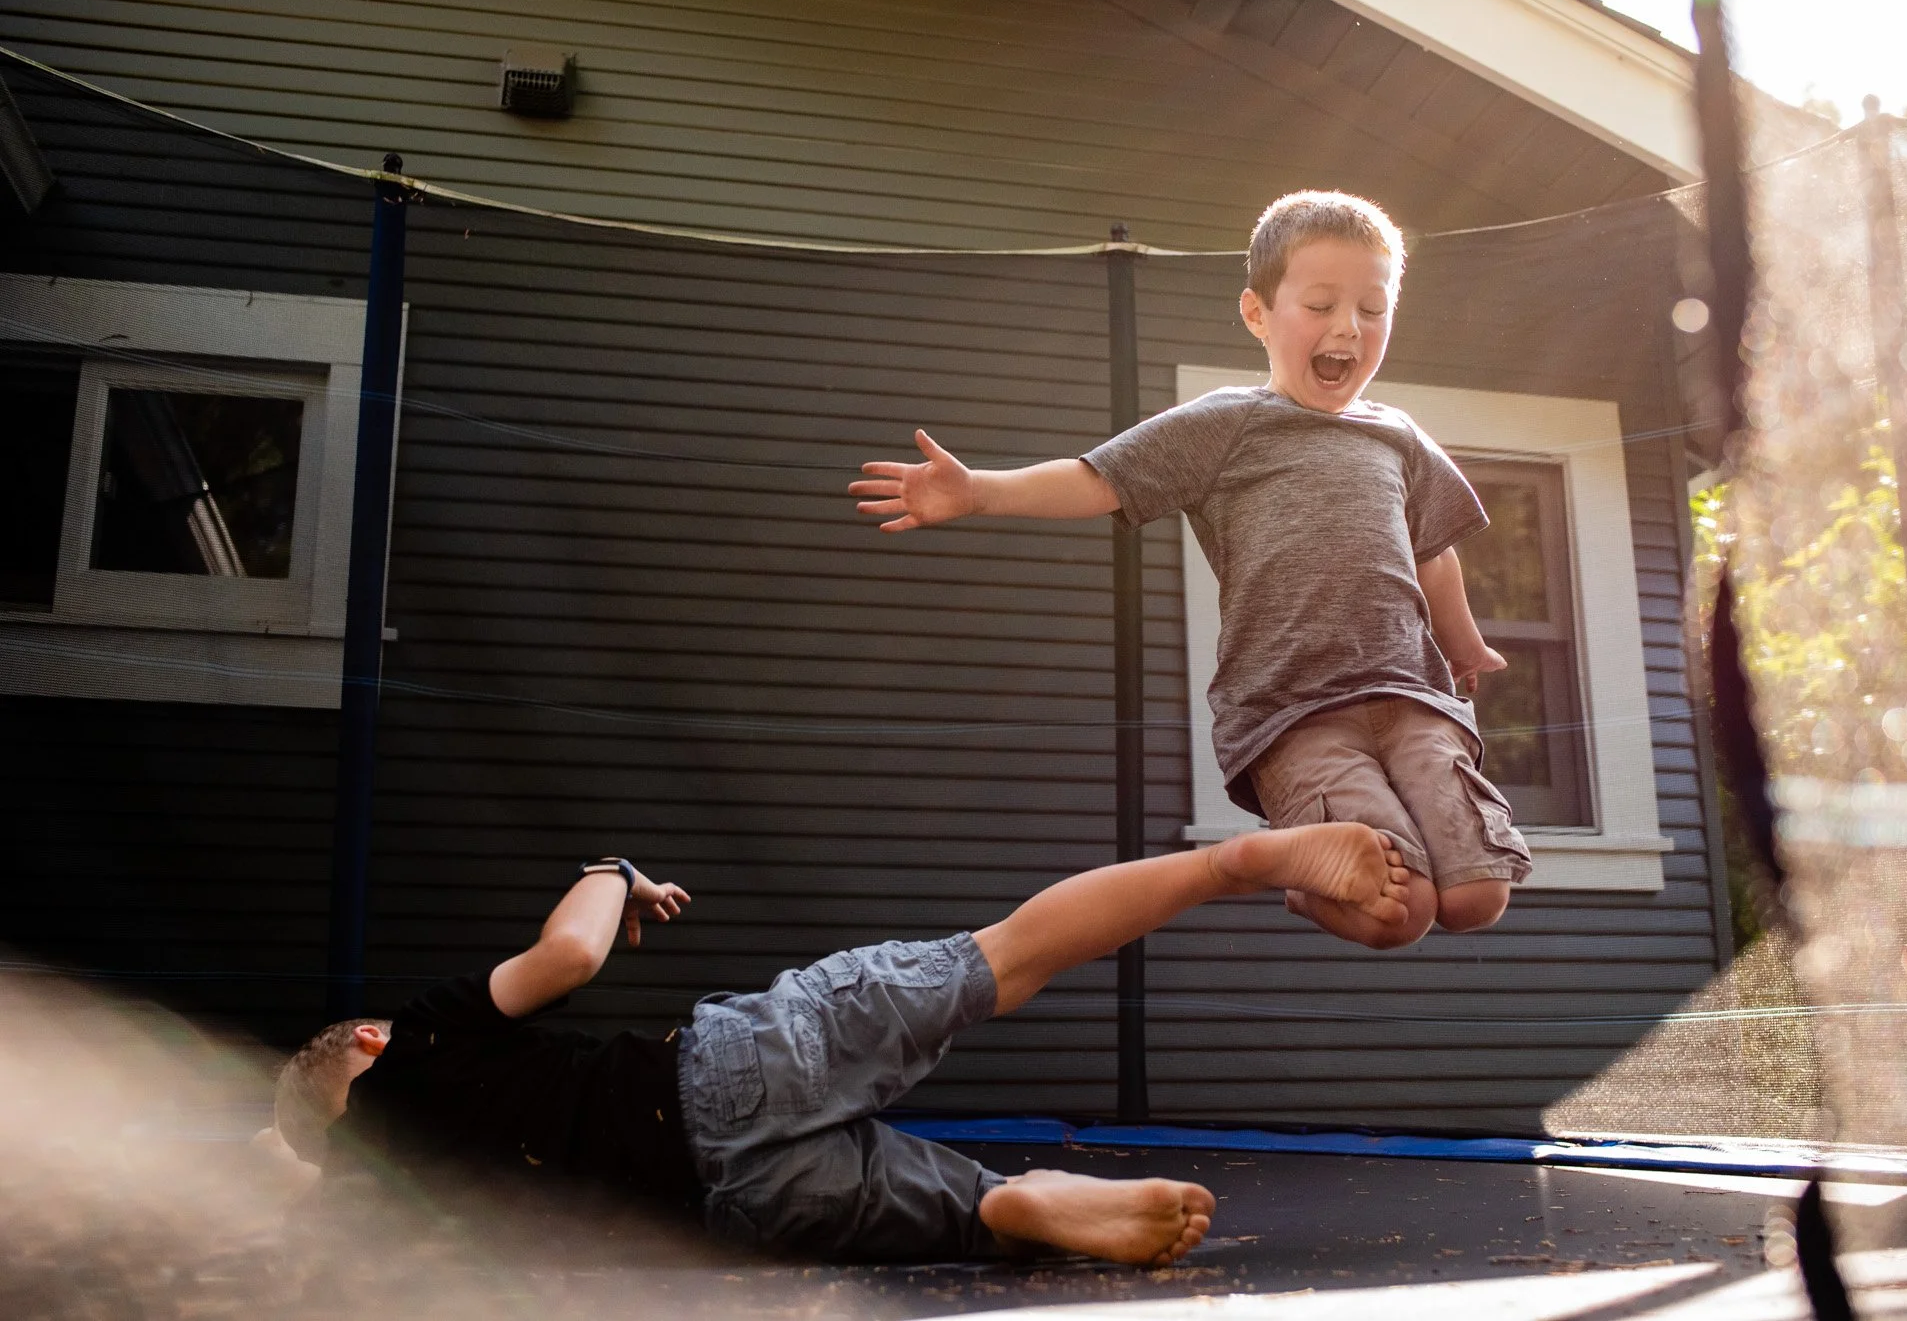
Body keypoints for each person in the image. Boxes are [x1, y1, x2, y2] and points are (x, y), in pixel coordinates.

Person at [848, 189, 1531, 951]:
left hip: (1410, 695)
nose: (1348, 327)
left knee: (1477, 895)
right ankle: (1302, 879)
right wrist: (979, 491)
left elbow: (1434, 549)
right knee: (1401, 911)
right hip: (1295, 714)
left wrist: (1464, 643)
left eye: (1372, 310)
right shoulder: (1226, 424)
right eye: (1322, 304)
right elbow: (1100, 478)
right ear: (1258, 314)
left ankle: (1380, 863)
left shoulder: (1400, 437)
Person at [270, 824, 1407, 1264]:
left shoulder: (402, 1190)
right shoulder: (411, 1038)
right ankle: (1235, 865)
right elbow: (567, 961)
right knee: (1000, 958)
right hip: (722, 1068)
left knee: (956, 1207)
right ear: (364, 1040)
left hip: (726, 1208)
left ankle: (1014, 1204)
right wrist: (604, 874)